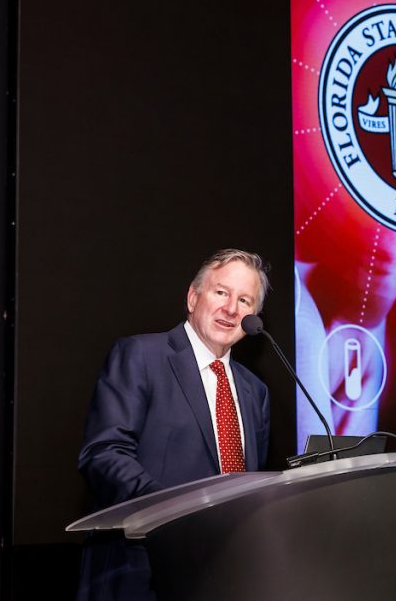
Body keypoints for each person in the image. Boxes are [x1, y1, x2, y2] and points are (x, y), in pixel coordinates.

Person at [76, 248, 272, 601]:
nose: (231, 308)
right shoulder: (142, 356)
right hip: (143, 571)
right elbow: (103, 453)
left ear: (253, 318)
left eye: (245, 300)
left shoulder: (254, 391)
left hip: (225, 574)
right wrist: (172, 513)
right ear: (193, 297)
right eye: (221, 292)